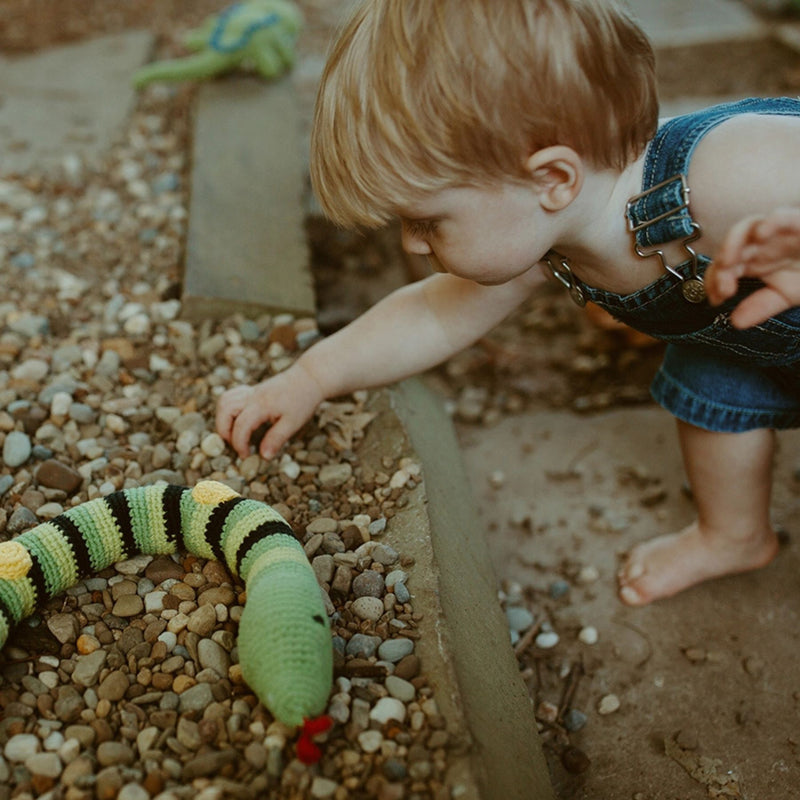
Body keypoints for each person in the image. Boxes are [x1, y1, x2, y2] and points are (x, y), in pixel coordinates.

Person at [216, 0, 800, 607]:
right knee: (707, 389)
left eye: (426, 221)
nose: (411, 244)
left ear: (552, 179)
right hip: (748, 344)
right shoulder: (547, 233)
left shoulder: (722, 175)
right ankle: (734, 534)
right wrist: (311, 376)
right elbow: (434, 315)